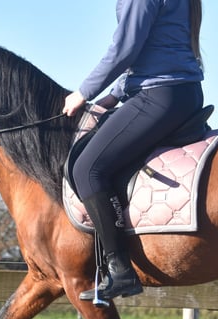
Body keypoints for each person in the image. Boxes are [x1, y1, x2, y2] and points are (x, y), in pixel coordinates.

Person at [63, 0, 204, 303]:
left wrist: (84, 92)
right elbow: (146, 50)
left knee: (87, 169)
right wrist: (112, 97)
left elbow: (125, 49)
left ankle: (120, 269)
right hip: (181, 91)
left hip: (159, 94)